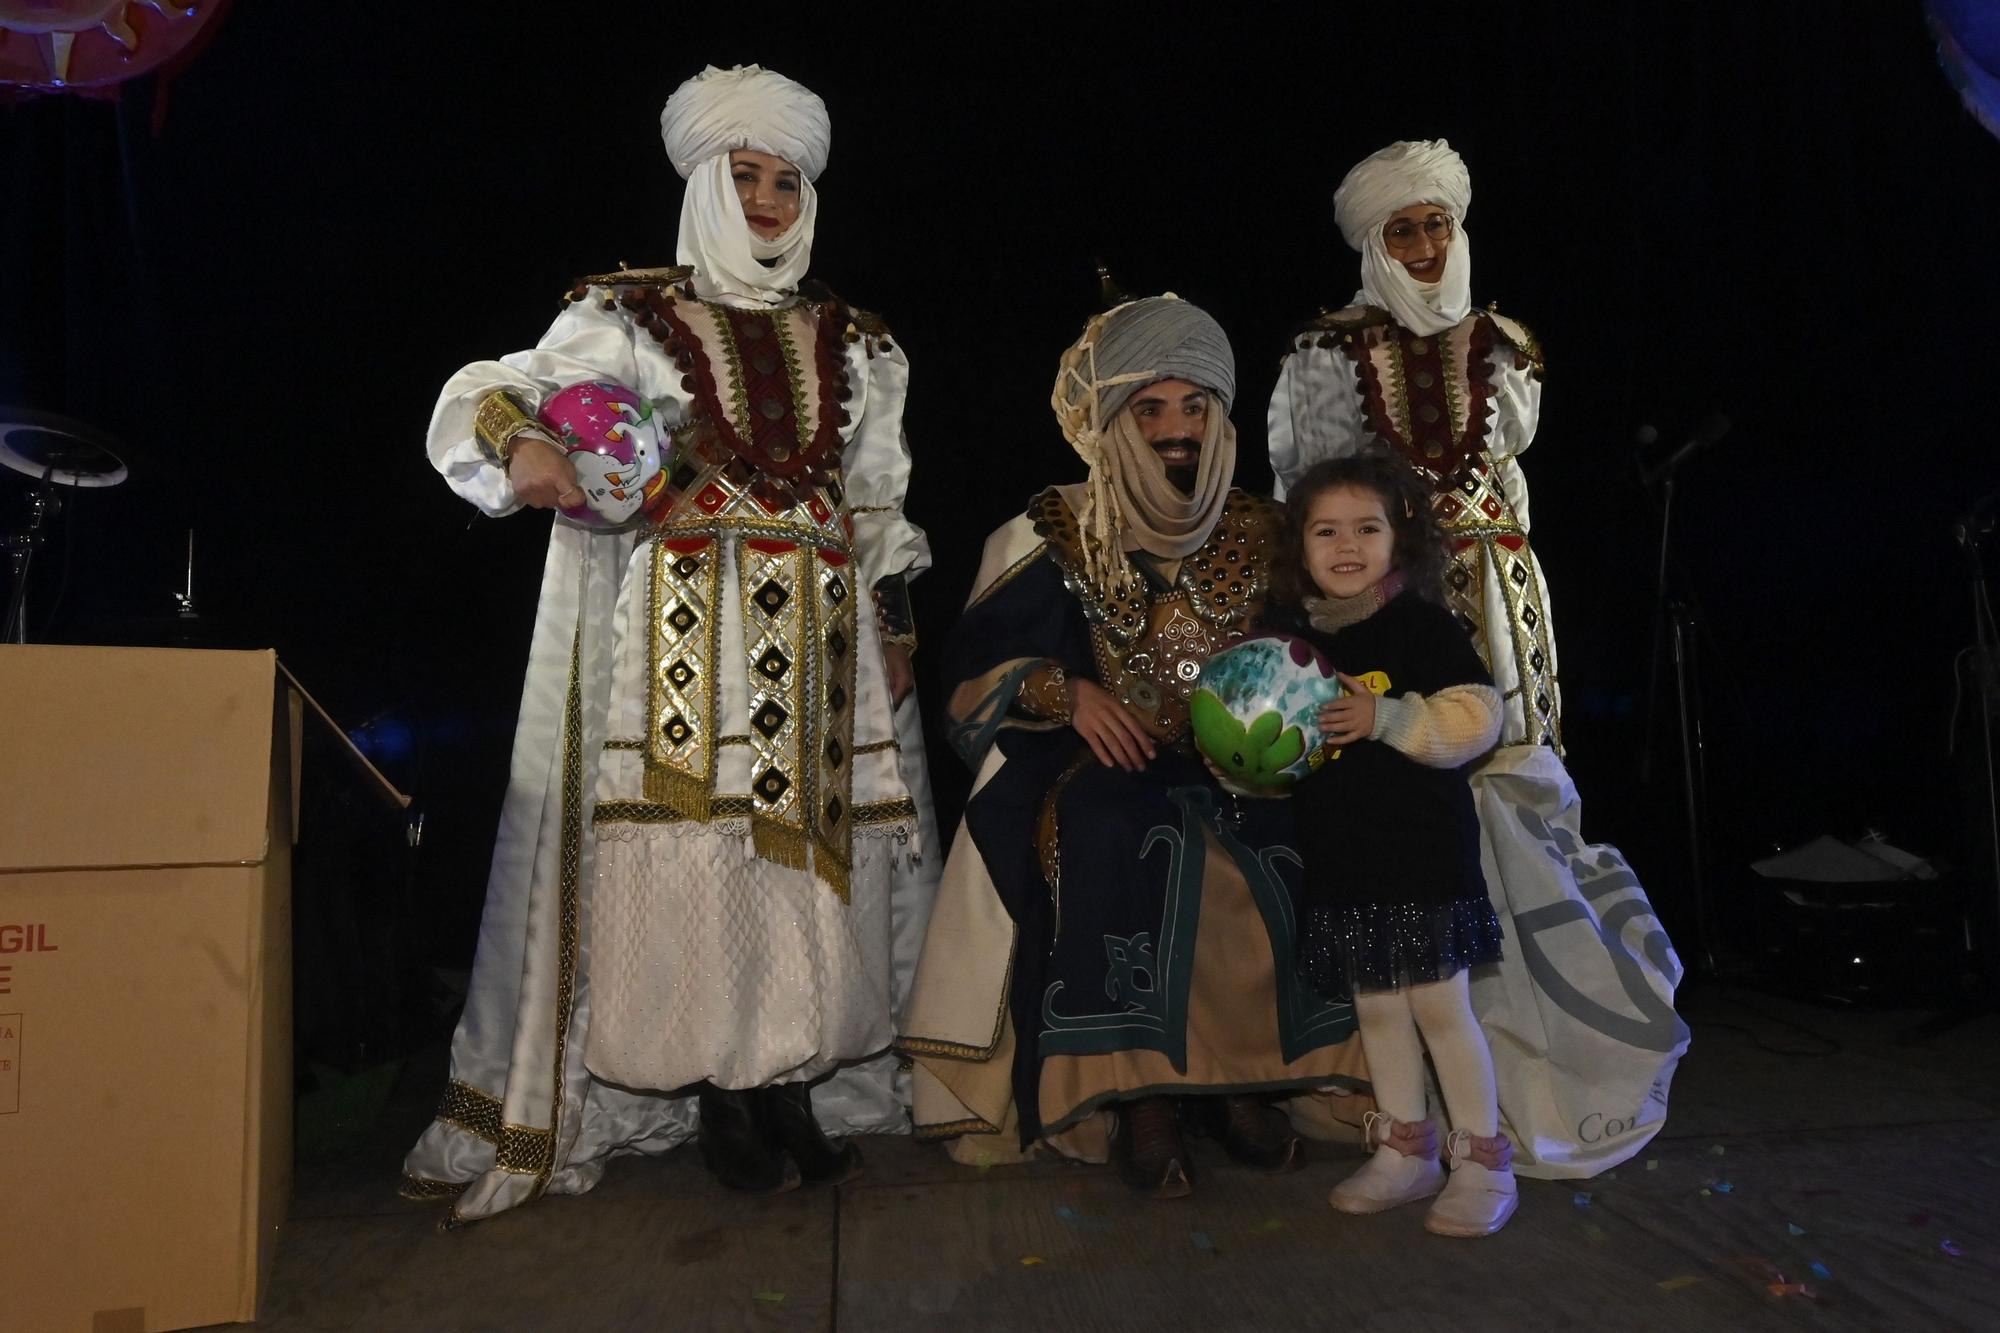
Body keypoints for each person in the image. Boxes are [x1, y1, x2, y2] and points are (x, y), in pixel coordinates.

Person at [401, 64, 940, 1222]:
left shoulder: (855, 342)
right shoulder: (622, 315)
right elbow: (499, 391)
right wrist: (525, 450)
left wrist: (895, 621)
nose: (764, 198)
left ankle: (792, 1080)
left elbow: (877, 500)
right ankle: (721, 1093)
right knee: (696, 856)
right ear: (700, 182)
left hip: (820, 629)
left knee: (809, 865)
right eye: (741, 175)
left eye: (783, 181)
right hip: (681, 626)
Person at [1267, 140, 1687, 1179]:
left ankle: (1542, 1063)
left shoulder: (1504, 343)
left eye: (1434, 225)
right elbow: (1309, 492)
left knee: (1514, 793)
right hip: (1382, 604)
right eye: (1399, 230)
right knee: (1400, 824)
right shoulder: (1322, 354)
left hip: (1498, 598)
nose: (1420, 245)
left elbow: (1510, 479)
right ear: (1372, 242)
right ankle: (1413, 1110)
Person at [897, 296, 1373, 1199]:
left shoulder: (1266, 529)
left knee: (1293, 831)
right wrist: (1064, 691)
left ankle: (1242, 1087)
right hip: (1101, 759)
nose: (1175, 430)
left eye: (1193, 406)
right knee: (1113, 824)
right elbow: (970, 669)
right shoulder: (1054, 527)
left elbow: (1324, 644)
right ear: (1112, 420)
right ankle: (1139, 1098)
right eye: (1149, 410)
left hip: (1251, 765)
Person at [1271, 453, 1516, 1236]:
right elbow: (1264, 747)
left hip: (1421, 856)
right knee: (1377, 1007)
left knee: (1441, 1006)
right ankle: (1407, 1154)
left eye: (1367, 528)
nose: (1347, 546)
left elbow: (1479, 716)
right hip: (1344, 861)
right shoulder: (1289, 640)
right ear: (1299, 546)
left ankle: (1482, 1162)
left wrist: (1386, 719)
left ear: (1399, 539)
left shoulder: (1422, 625)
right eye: (1326, 530)